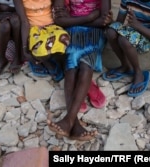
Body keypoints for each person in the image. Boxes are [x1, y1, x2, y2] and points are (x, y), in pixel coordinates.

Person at [47, 0, 112, 141]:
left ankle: (68, 120)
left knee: (85, 65)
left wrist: (73, 20)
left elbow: (104, 21)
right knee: (70, 67)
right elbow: (59, 21)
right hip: (72, 31)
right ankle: (74, 124)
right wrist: (89, 18)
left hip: (94, 33)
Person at [102, 0, 150, 97]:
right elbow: (119, 23)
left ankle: (138, 72)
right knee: (110, 32)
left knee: (124, 40)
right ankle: (125, 65)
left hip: (149, 37)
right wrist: (111, 22)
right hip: (131, 30)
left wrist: (137, 25)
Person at [13, 0, 70, 82]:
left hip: (52, 27)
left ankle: (45, 59)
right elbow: (24, 21)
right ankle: (45, 62)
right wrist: (25, 48)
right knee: (41, 49)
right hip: (34, 30)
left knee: (64, 38)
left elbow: (57, 9)